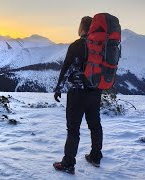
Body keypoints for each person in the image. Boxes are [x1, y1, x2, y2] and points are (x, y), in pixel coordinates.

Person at [52, 16, 103, 174]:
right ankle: (95, 156)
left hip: (77, 93)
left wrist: (58, 88)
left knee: (73, 128)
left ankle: (68, 163)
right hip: (95, 91)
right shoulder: (101, 46)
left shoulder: (77, 45)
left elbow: (66, 67)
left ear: (82, 28)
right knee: (95, 124)